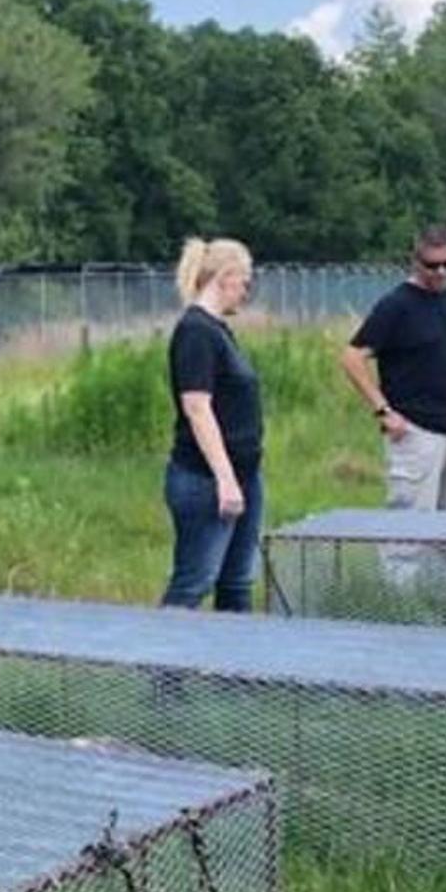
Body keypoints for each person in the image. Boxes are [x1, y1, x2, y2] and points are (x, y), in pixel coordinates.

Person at [340, 224, 446, 582]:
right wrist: (384, 411)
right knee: (408, 531)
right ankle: (395, 611)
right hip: (416, 432)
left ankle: (436, 605)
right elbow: (352, 357)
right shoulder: (396, 305)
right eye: (433, 266)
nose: (441, 273)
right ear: (415, 261)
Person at [160, 237, 262, 611]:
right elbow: (197, 407)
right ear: (224, 277)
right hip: (205, 480)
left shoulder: (219, 331)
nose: (247, 291)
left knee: (236, 582)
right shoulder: (196, 332)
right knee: (195, 580)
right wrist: (225, 479)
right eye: (245, 281)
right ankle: (162, 667)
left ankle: (235, 668)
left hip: (244, 472)